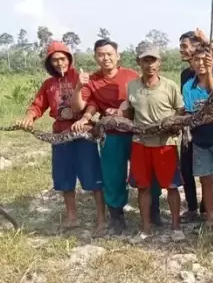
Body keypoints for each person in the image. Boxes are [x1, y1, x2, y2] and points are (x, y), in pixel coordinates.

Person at [70, 38, 161, 235]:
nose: (106, 58)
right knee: (112, 175)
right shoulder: (92, 80)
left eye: (109, 54)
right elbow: (80, 106)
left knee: (146, 172)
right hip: (112, 134)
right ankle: (117, 215)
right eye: (101, 55)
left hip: (137, 132)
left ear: (117, 55)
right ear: (95, 57)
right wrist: (79, 88)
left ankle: (154, 211)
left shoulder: (131, 75)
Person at [18, 41, 105, 235]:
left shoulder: (82, 78)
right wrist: (29, 117)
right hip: (60, 136)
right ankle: (72, 218)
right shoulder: (48, 84)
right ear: (50, 63)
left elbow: (92, 103)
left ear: (69, 59)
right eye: (55, 60)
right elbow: (37, 105)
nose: (59, 63)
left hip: (84, 135)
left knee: (93, 178)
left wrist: (85, 115)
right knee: (65, 178)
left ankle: (101, 220)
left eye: (62, 58)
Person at [122, 42, 185, 243]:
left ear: (160, 62)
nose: (150, 64)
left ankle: (176, 227)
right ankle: (146, 228)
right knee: (143, 187)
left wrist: (174, 125)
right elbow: (130, 112)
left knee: (172, 186)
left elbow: (180, 111)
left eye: (153, 60)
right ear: (138, 62)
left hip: (165, 143)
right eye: (145, 60)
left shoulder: (170, 86)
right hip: (140, 143)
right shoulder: (131, 86)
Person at [178, 29, 213, 222]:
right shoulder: (187, 82)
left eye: (204, 60)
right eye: (196, 60)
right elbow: (187, 109)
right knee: (203, 178)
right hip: (197, 136)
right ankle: (205, 214)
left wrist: (210, 114)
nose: (200, 63)